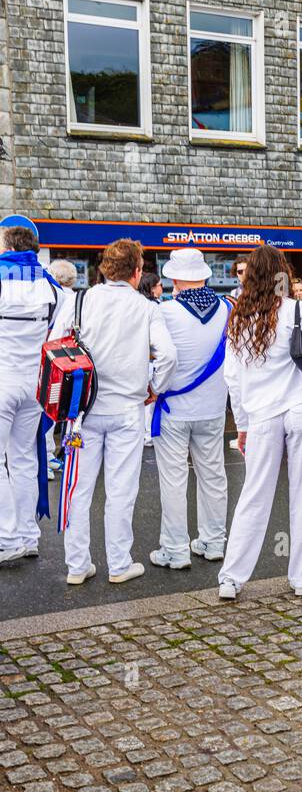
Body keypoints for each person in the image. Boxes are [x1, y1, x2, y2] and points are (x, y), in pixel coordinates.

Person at [53, 238, 177, 585]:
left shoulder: (80, 300)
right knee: (122, 490)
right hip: (127, 408)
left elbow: (55, 345)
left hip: (83, 410)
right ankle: (119, 563)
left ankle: (77, 565)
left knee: (79, 487)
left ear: (105, 268)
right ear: (137, 272)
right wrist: (155, 386)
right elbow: (167, 355)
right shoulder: (147, 308)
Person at [219, 245, 302, 601]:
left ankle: (232, 577)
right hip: (301, 407)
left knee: (253, 495)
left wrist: (241, 426)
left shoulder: (239, 316)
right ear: (280, 274)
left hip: (262, 414)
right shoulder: (297, 309)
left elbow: (233, 379)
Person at [148, 248, 231, 571]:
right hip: (212, 407)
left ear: (175, 278)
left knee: (173, 479)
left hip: (173, 408)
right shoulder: (227, 308)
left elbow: (161, 357)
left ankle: (175, 548)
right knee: (213, 475)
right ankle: (213, 541)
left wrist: (155, 387)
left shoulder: (165, 311)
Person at [0, 218, 63, 564]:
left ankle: (8, 537)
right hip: (35, 382)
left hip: (4, 377)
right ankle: (28, 533)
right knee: (24, 459)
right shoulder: (51, 285)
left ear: (8, 247)